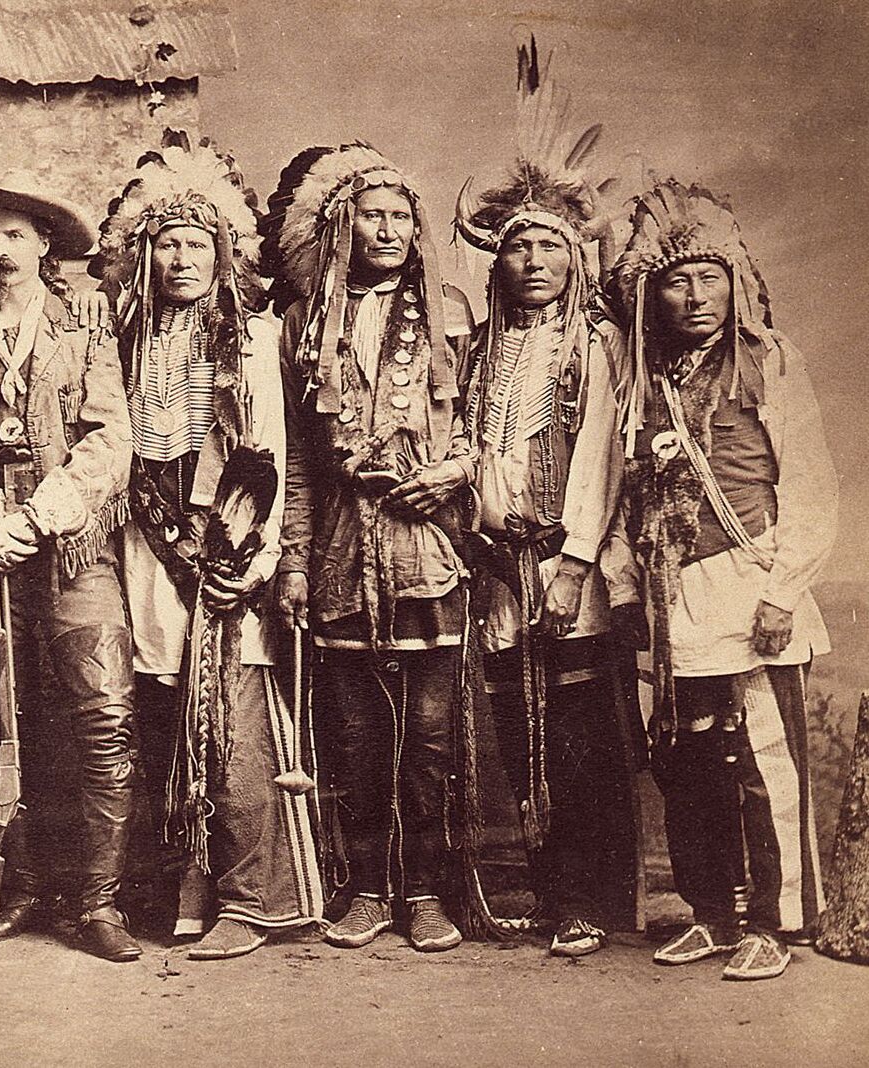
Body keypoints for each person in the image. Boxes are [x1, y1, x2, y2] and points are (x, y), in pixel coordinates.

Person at [92, 131, 323, 959]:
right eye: (166, 245)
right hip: (146, 550)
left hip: (228, 545)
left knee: (234, 717)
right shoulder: (126, 336)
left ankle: (254, 899)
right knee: (165, 714)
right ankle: (186, 887)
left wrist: (254, 561)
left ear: (222, 253)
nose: (181, 259)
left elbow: (272, 458)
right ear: (145, 256)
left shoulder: (255, 339)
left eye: (196, 244)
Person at [0, 176, 141, 962]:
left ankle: (100, 902)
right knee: (7, 726)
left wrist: (38, 516)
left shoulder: (86, 328)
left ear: (45, 246)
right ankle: (25, 887)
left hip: (72, 555)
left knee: (104, 717)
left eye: (14, 235)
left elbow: (112, 439)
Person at [614, 178, 837, 981]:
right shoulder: (641, 377)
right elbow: (625, 491)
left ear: (735, 280)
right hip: (674, 595)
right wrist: (629, 592)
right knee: (686, 763)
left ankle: (776, 923)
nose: (696, 294)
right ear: (654, 293)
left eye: (710, 276)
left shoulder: (770, 360)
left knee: (761, 758)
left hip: (753, 580)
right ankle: (710, 911)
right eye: (677, 280)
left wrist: (781, 592)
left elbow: (808, 482)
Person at [452, 46, 643, 958]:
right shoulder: (479, 354)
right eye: (518, 246)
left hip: (571, 563)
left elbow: (600, 451)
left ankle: (592, 899)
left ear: (575, 262)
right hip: (496, 562)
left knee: (577, 731)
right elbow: (473, 451)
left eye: (548, 248)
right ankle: (540, 882)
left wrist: (573, 563)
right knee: (512, 724)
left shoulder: (596, 346)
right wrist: (485, 536)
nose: (531, 260)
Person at [265, 143, 478, 952]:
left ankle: (425, 892)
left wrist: (456, 469)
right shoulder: (301, 324)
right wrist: (292, 560)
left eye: (400, 216)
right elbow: (295, 457)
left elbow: (487, 420)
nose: (387, 230)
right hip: (341, 554)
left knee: (428, 739)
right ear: (341, 226)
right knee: (354, 737)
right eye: (370, 215)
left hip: (429, 549)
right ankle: (366, 891)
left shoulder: (448, 310)